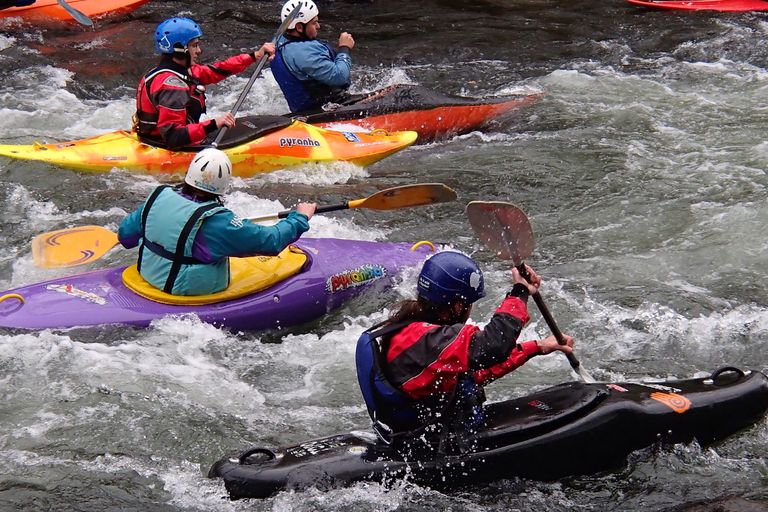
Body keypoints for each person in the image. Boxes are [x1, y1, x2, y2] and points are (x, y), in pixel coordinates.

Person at [355, 250, 575, 443]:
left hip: (420, 434)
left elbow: (474, 370)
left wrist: (537, 346)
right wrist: (519, 291)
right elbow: (493, 346)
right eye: (470, 304)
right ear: (458, 305)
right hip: (431, 443)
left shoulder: (415, 331)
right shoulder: (429, 340)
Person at [117, 148, 316, 296]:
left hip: (148, 275)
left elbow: (126, 237)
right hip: (183, 290)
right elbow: (271, 241)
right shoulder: (218, 222)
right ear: (224, 185)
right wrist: (300, 217)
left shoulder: (157, 197)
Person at [134, 17, 275, 150]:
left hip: (155, 138)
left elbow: (220, 69)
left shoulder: (171, 71)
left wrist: (255, 56)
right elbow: (173, 137)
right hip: (168, 145)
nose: (199, 51)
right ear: (180, 49)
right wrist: (214, 124)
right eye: (194, 46)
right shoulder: (173, 85)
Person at [271, 0, 355, 113]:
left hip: (302, 109)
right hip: (325, 109)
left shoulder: (278, 41)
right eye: (314, 23)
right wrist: (345, 48)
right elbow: (339, 77)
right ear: (299, 27)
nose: (318, 26)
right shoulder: (304, 53)